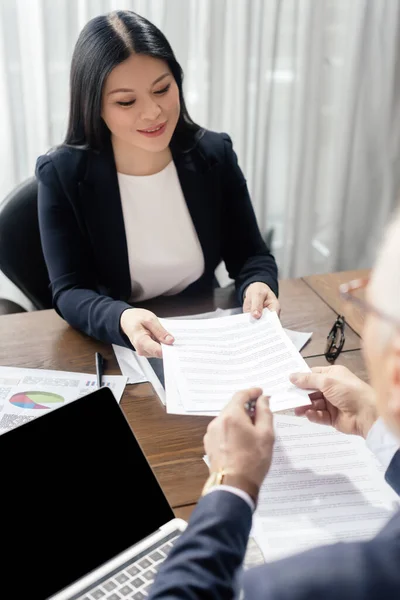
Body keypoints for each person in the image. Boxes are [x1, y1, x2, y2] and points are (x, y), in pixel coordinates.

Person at [148, 210, 400, 599]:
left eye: (365, 309)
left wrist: (230, 482)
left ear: (395, 373)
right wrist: (374, 418)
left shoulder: (308, 586)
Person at [36, 10, 279, 358]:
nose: (153, 112)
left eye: (162, 89)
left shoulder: (214, 154)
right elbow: (70, 290)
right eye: (126, 101)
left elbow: (251, 255)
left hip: (204, 332)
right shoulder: (62, 174)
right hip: (117, 349)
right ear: (94, 106)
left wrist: (258, 283)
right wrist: (121, 317)